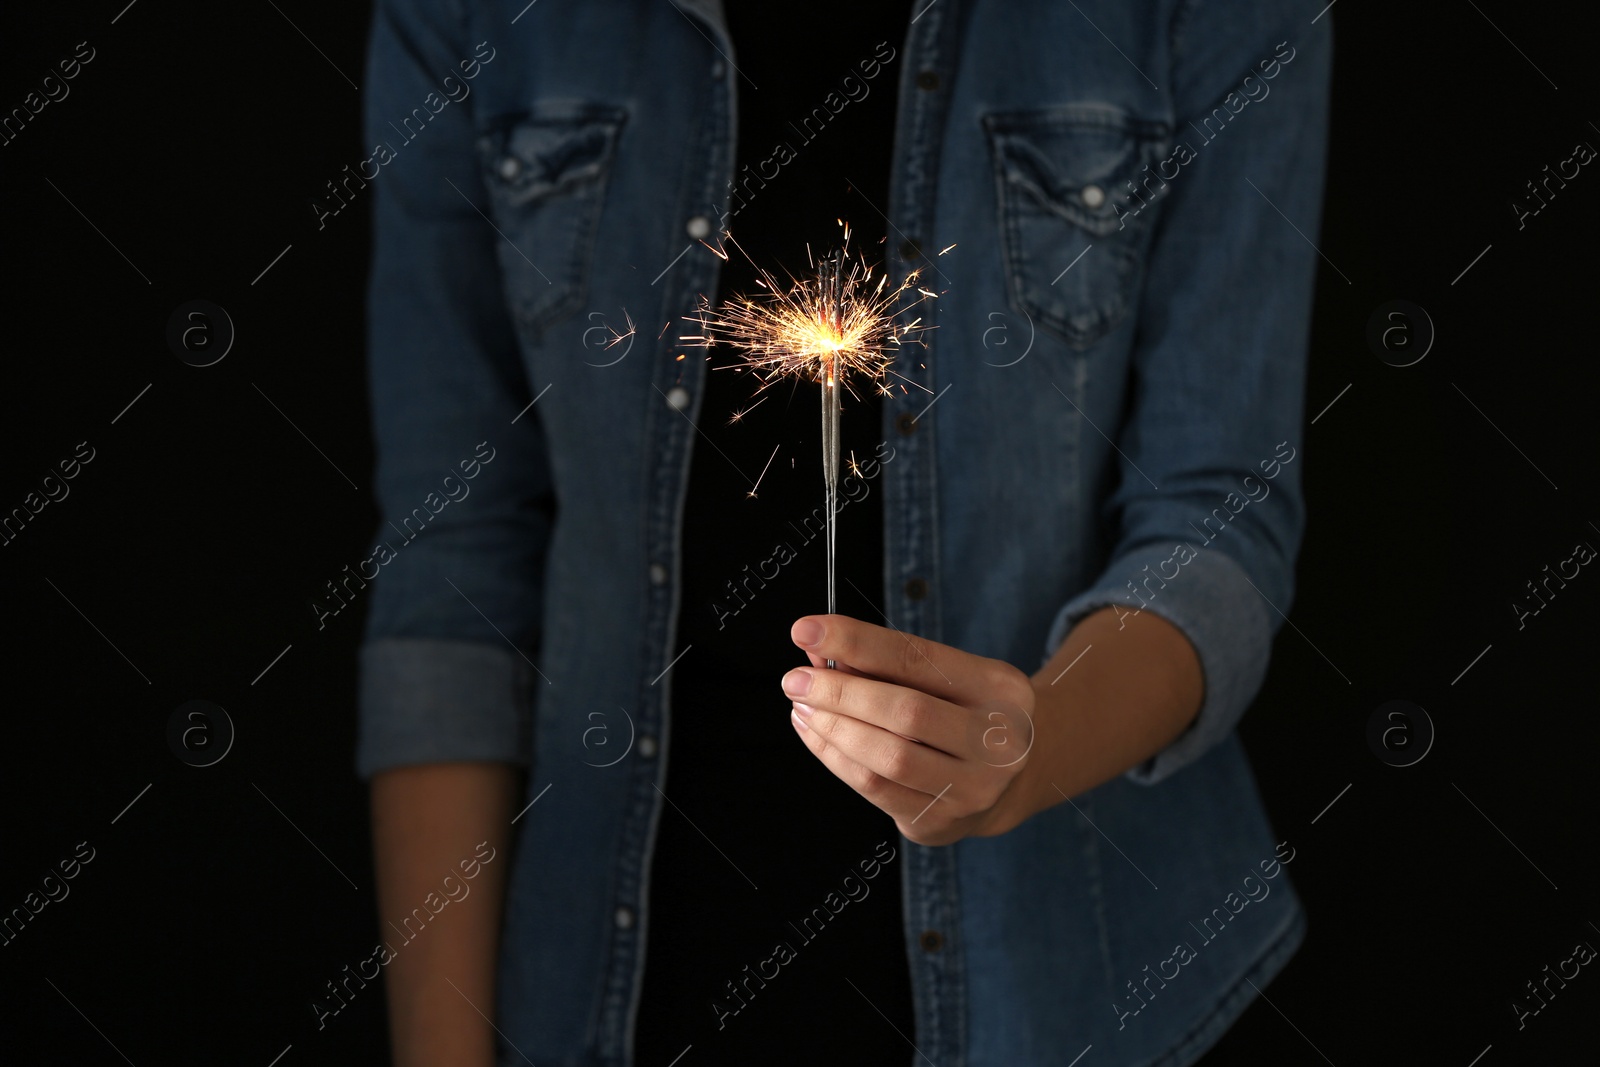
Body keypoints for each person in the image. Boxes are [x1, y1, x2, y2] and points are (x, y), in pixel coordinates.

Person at [355, 1, 1332, 1065]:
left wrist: (1031, 741)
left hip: (1065, 979)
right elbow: (451, 559)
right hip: (605, 960)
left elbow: (1221, 507)